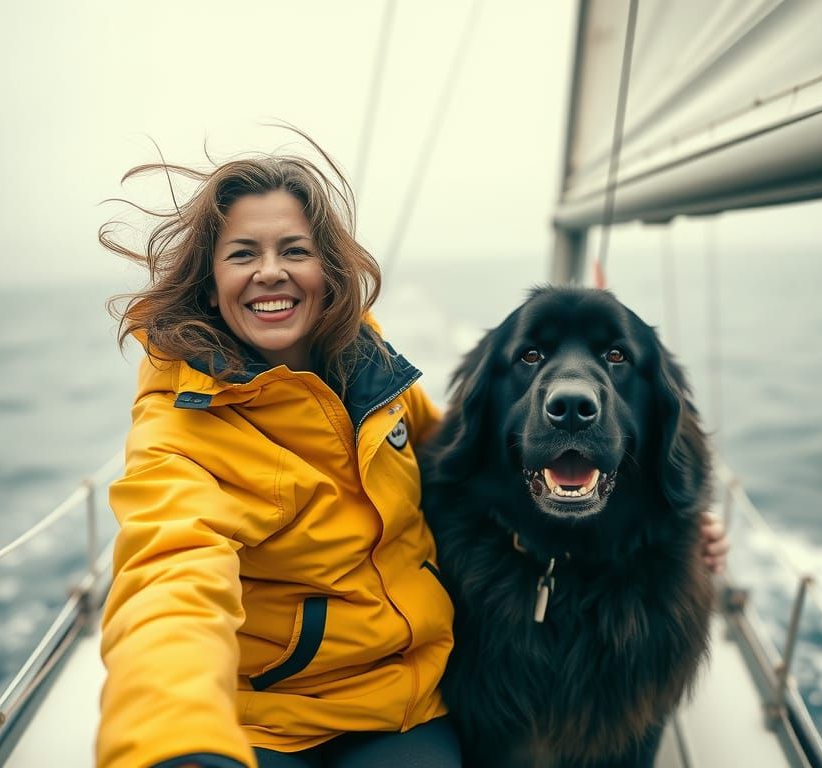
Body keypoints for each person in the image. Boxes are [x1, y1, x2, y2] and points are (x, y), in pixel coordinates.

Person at [96, 133, 729, 768]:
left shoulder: (371, 375)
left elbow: (457, 444)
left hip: (395, 702)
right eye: (242, 254)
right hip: (266, 717)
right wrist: (171, 738)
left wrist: (677, 514)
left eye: (294, 250)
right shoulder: (178, 432)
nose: (270, 270)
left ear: (329, 273)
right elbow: (169, 583)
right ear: (210, 284)